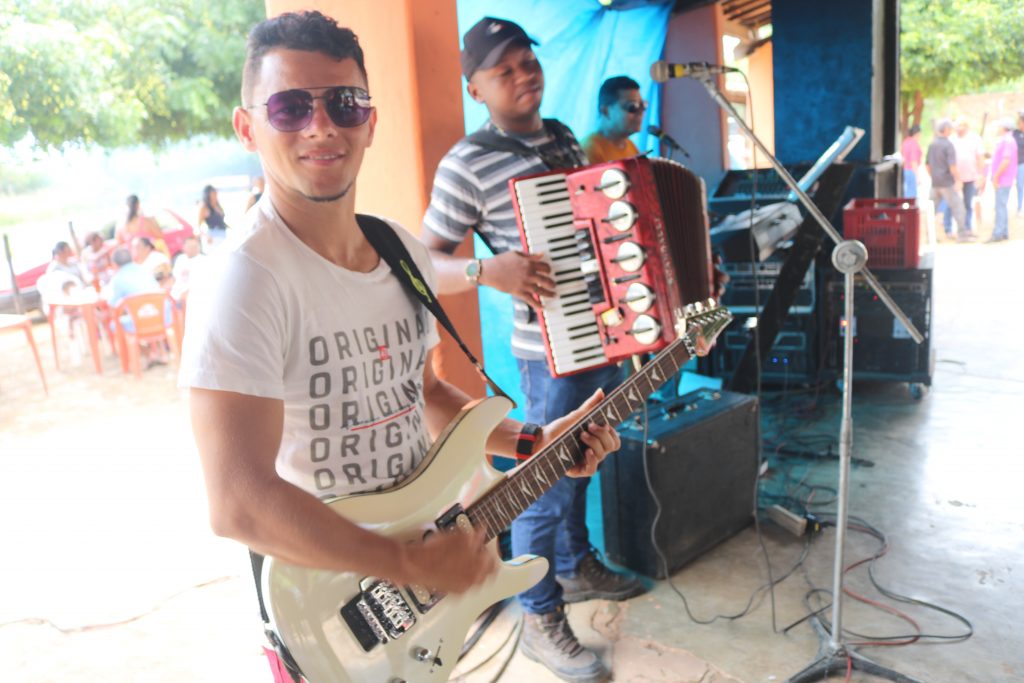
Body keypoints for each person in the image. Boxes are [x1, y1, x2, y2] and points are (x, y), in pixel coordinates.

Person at [176, 12, 626, 683]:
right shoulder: (243, 279)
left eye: (344, 103)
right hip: (328, 609)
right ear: (248, 128)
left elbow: (421, 393)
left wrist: (535, 441)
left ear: (370, 121)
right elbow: (237, 501)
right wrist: (408, 564)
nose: (321, 126)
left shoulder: (399, 252)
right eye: (290, 107)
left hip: (419, 585)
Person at [421, 18, 646, 682]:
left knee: (584, 456)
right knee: (540, 482)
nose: (524, 76)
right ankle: (539, 616)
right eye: (505, 70)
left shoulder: (563, 137)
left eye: (528, 62)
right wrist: (487, 271)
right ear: (476, 88)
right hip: (547, 348)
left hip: (599, 329)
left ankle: (574, 565)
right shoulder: (466, 163)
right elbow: (424, 263)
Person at [926, 119, 972, 241]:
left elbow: (927, 165)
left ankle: (929, 236)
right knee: (958, 208)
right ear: (946, 130)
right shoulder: (948, 145)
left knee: (931, 210)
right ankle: (962, 235)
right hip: (946, 182)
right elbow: (952, 167)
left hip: (935, 183)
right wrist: (958, 180)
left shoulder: (932, 144)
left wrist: (934, 176)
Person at [581, 75, 644, 164]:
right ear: (606, 111)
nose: (641, 112)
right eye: (633, 106)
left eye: (643, 105)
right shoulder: (590, 149)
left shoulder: (630, 145)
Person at [945, 119, 985, 235]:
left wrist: (981, 174)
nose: (959, 128)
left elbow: (980, 157)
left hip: (970, 177)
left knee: (968, 203)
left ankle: (967, 228)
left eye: (962, 125)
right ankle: (948, 228)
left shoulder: (975, 139)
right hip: (954, 178)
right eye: (958, 126)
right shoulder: (951, 140)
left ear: (967, 127)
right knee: (951, 203)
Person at [987, 118, 1018, 243]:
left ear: (1005, 127)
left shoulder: (1007, 141)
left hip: (1003, 178)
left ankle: (998, 233)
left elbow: (1006, 160)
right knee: (1001, 205)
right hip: (1003, 178)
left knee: (1000, 206)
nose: (998, 128)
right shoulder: (1006, 140)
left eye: (1000, 126)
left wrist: (996, 176)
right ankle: (1003, 232)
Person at [169, 235, 204, 301]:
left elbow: (200, 285)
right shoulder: (180, 258)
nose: (192, 249)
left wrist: (184, 296)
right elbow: (173, 278)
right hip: (175, 295)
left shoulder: (203, 260)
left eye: (195, 246)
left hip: (192, 297)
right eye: (189, 246)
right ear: (183, 247)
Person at [900, 124, 922, 198]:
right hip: (911, 170)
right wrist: (917, 176)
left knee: (907, 192)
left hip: (905, 170)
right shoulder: (913, 144)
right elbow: (913, 161)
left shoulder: (905, 142)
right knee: (911, 195)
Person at [1013, 112, 1024, 215]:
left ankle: (1020, 207)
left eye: (1021, 122)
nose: (1019, 124)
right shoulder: (1015, 133)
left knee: (1020, 185)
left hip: (1021, 164)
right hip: (1012, 163)